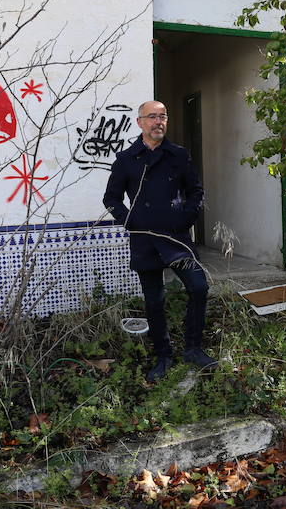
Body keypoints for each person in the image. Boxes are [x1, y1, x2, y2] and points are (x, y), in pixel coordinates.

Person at [103, 100, 216, 382]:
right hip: (144, 240)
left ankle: (192, 348)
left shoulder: (178, 155)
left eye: (163, 116)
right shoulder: (127, 159)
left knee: (199, 287)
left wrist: (185, 220)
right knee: (154, 300)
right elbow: (111, 199)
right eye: (152, 117)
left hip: (176, 238)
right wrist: (131, 223)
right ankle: (163, 356)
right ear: (140, 122)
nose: (158, 122)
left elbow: (196, 192)